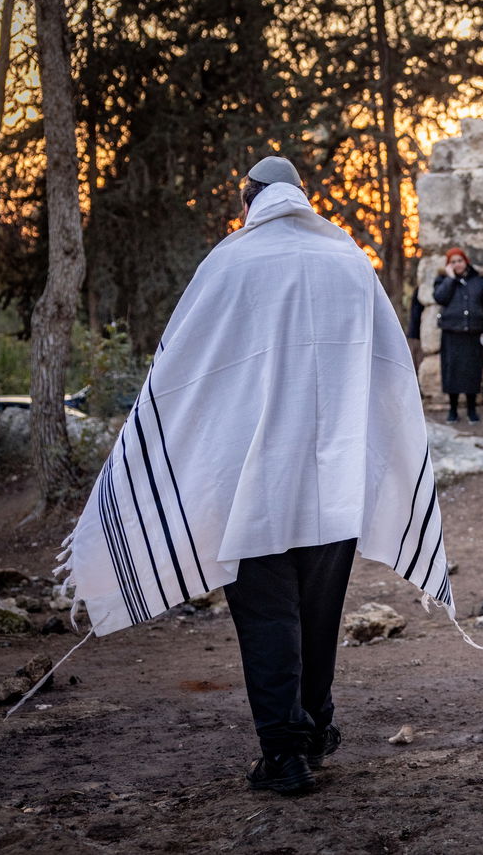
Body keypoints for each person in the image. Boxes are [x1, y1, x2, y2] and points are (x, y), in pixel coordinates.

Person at [57, 155, 454, 797]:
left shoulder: (229, 263)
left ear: (251, 198)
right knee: (319, 616)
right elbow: (390, 369)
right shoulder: (350, 262)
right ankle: (316, 730)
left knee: (270, 620)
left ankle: (285, 756)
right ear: (300, 196)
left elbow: (182, 369)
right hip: (335, 485)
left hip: (256, 490)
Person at [433, 247, 483, 423]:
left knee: (471, 374)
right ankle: (453, 410)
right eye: (453, 262)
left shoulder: (479, 282)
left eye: (459, 261)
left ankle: (471, 409)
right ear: (448, 265)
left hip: (472, 335)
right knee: (451, 374)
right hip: (451, 335)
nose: (457, 264)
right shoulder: (443, 281)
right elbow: (440, 298)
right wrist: (450, 279)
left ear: (466, 261)